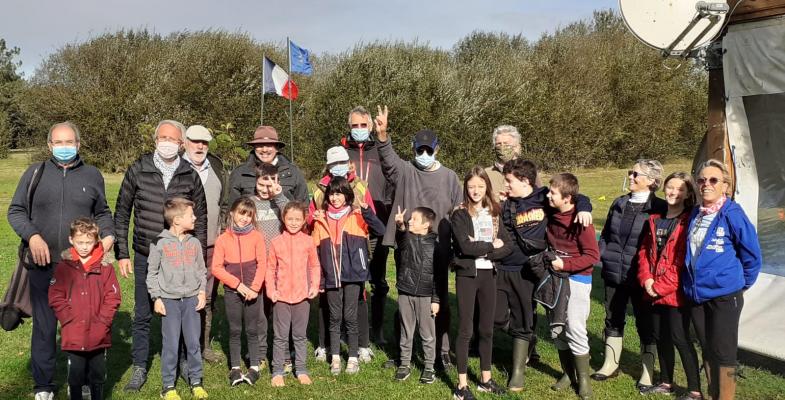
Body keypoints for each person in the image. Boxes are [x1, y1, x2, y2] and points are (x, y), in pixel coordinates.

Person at [7, 121, 115, 400]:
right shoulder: (35, 173)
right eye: (58, 142)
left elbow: (103, 212)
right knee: (44, 327)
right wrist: (32, 236)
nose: (64, 147)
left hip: (81, 266)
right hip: (42, 263)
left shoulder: (92, 175)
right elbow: (16, 211)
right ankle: (44, 386)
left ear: (78, 145)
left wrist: (109, 235)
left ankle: (84, 380)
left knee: (84, 323)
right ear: (49, 146)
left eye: (69, 142)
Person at [114, 120, 208, 392]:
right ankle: (140, 365)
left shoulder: (189, 173)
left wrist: (197, 256)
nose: (167, 142)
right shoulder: (138, 169)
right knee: (143, 313)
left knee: (181, 312)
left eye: (173, 138)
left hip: (181, 258)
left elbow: (199, 219)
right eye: (162, 137)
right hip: (146, 253)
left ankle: (183, 362)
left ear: (181, 144)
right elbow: (122, 212)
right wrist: (122, 252)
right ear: (155, 139)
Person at [375, 106, 462, 369]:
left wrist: (457, 249)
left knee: (439, 299)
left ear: (437, 149)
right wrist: (382, 135)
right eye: (419, 150)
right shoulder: (406, 170)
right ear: (413, 149)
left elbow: (458, 213)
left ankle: (442, 350)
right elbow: (388, 161)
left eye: (428, 150)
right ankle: (401, 351)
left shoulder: (450, 177)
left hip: (438, 249)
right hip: (408, 245)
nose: (423, 154)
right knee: (404, 297)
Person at [496, 159, 592, 392]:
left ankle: (518, 371)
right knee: (496, 318)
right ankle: (528, 338)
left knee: (524, 318)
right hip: (503, 267)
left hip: (530, 270)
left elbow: (575, 196)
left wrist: (585, 208)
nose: (506, 185)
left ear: (525, 181)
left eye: (509, 181)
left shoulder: (543, 197)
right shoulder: (507, 203)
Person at [682, 159, 761, 400]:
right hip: (697, 295)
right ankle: (712, 394)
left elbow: (752, 256)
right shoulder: (695, 212)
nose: (706, 184)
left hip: (725, 296)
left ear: (725, 185)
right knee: (707, 349)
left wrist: (737, 284)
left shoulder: (732, 214)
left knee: (724, 353)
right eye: (702, 180)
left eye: (713, 180)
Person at [592, 159, 667, 391]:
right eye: (630, 172)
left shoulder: (660, 208)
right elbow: (605, 235)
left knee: (646, 324)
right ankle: (609, 365)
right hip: (614, 271)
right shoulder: (619, 203)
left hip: (643, 277)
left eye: (636, 174)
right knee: (613, 318)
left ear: (652, 181)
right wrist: (604, 255)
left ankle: (647, 372)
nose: (631, 177)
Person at [637, 172, 703, 399]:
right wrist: (646, 279)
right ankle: (666, 382)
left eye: (680, 189)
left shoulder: (689, 221)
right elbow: (645, 251)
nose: (674, 192)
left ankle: (695, 390)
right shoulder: (655, 219)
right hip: (652, 289)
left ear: (688, 194)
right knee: (660, 336)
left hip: (674, 293)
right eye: (670, 187)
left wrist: (662, 286)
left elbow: (682, 259)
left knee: (679, 338)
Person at [311, 177, 386, 375]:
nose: (335, 198)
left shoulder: (358, 216)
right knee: (334, 317)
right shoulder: (321, 219)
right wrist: (318, 280)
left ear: (347, 195)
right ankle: (335, 357)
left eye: (339, 193)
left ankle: (353, 358)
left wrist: (367, 211)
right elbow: (315, 253)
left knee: (351, 317)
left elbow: (380, 230)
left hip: (353, 275)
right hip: (331, 276)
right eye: (332, 194)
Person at [450, 167, 513, 399]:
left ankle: (486, 380)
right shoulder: (460, 214)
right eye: (471, 187)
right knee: (466, 330)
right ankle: (462, 385)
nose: (475, 191)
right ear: (465, 188)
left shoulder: (494, 212)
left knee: (486, 329)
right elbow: (465, 247)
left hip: (489, 275)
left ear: (487, 186)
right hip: (467, 275)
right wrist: (489, 245)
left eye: (480, 186)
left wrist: (484, 248)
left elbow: (507, 245)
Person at [48, 218, 121, 400]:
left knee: (97, 374)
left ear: (96, 241)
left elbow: (113, 297)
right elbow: (55, 295)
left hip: (98, 332)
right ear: (71, 240)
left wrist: (103, 320)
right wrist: (67, 318)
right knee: (76, 375)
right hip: (74, 332)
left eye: (89, 242)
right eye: (80, 242)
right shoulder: (64, 267)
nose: (84, 247)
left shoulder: (105, 267)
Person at [341, 106, 394, 345]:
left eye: (364, 125)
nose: (359, 130)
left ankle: (378, 329)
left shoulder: (380, 151)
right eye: (355, 126)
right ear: (349, 127)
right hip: (349, 225)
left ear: (370, 127)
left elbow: (393, 182)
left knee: (379, 279)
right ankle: (349, 327)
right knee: (351, 278)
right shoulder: (341, 152)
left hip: (377, 223)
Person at [146, 198, 208, 400]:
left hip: (191, 300)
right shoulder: (158, 243)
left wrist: (201, 292)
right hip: (169, 302)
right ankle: (168, 386)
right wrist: (156, 297)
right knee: (171, 344)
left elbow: (201, 270)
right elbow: (152, 273)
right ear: (178, 220)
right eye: (192, 215)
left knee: (193, 343)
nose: (195, 218)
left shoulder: (195, 242)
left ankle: (196, 381)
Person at [545, 173, 600, 400]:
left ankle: (583, 379)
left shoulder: (581, 221)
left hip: (577, 279)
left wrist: (565, 264)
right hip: (554, 278)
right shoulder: (551, 210)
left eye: (553, 193)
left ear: (567, 198)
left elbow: (592, 256)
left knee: (575, 327)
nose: (548, 195)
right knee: (557, 327)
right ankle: (568, 373)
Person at [182, 124, 229, 364]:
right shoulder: (176, 167)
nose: (200, 146)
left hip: (212, 244)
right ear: (185, 142)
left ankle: (203, 346)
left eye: (204, 142)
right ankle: (182, 349)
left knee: (208, 296)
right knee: (182, 295)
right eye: (195, 141)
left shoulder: (218, 167)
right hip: (183, 244)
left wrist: (222, 231)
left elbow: (225, 203)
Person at [211, 197, 267, 386]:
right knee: (235, 330)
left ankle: (254, 367)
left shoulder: (257, 237)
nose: (244, 218)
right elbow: (217, 268)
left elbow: (263, 264)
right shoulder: (222, 240)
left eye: (249, 215)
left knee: (252, 329)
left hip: (253, 292)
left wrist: (254, 288)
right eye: (241, 213)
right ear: (232, 213)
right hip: (232, 293)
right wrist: (237, 285)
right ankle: (235, 367)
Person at [266, 202, 321, 387]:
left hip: (302, 297)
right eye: (290, 219)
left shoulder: (308, 241)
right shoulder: (276, 242)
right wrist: (271, 290)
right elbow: (270, 268)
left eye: (298, 219)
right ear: (283, 218)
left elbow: (314, 265)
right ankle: (277, 371)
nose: (294, 222)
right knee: (280, 336)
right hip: (280, 297)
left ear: (304, 220)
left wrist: (314, 285)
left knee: (299, 335)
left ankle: (301, 369)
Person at [392, 206, 441, 384]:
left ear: (426, 224)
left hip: (426, 295)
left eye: (414, 219)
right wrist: (400, 225)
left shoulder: (436, 246)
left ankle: (429, 367)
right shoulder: (407, 239)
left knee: (427, 334)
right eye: (409, 218)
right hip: (406, 291)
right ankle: (404, 364)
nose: (409, 221)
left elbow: (439, 277)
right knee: (406, 330)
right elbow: (401, 236)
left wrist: (435, 299)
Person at [251, 163, 289, 371]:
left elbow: (293, 217)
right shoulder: (250, 203)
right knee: (259, 314)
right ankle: (260, 351)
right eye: (262, 184)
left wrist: (279, 196)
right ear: (255, 183)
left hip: (279, 267)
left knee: (279, 312)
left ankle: (282, 352)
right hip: (257, 266)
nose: (266, 189)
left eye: (271, 183)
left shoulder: (281, 202)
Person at [228, 125, 308, 203]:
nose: (264, 150)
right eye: (260, 145)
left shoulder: (293, 172)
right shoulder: (240, 173)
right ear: (254, 147)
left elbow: (303, 206)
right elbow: (231, 208)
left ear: (277, 148)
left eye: (269, 145)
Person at [485, 125, 522, 202]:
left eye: (506, 144)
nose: (502, 147)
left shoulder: (528, 171)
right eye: (498, 144)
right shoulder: (485, 174)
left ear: (516, 147)